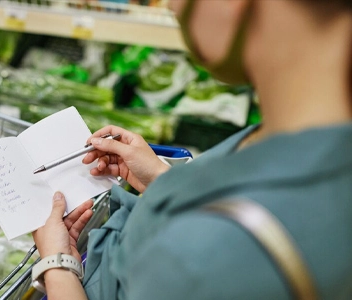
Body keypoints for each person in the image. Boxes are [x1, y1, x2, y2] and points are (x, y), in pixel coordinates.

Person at [32, 0, 352, 299]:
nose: (172, 5)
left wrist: (58, 265)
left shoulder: (200, 257)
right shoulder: (309, 137)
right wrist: (163, 179)